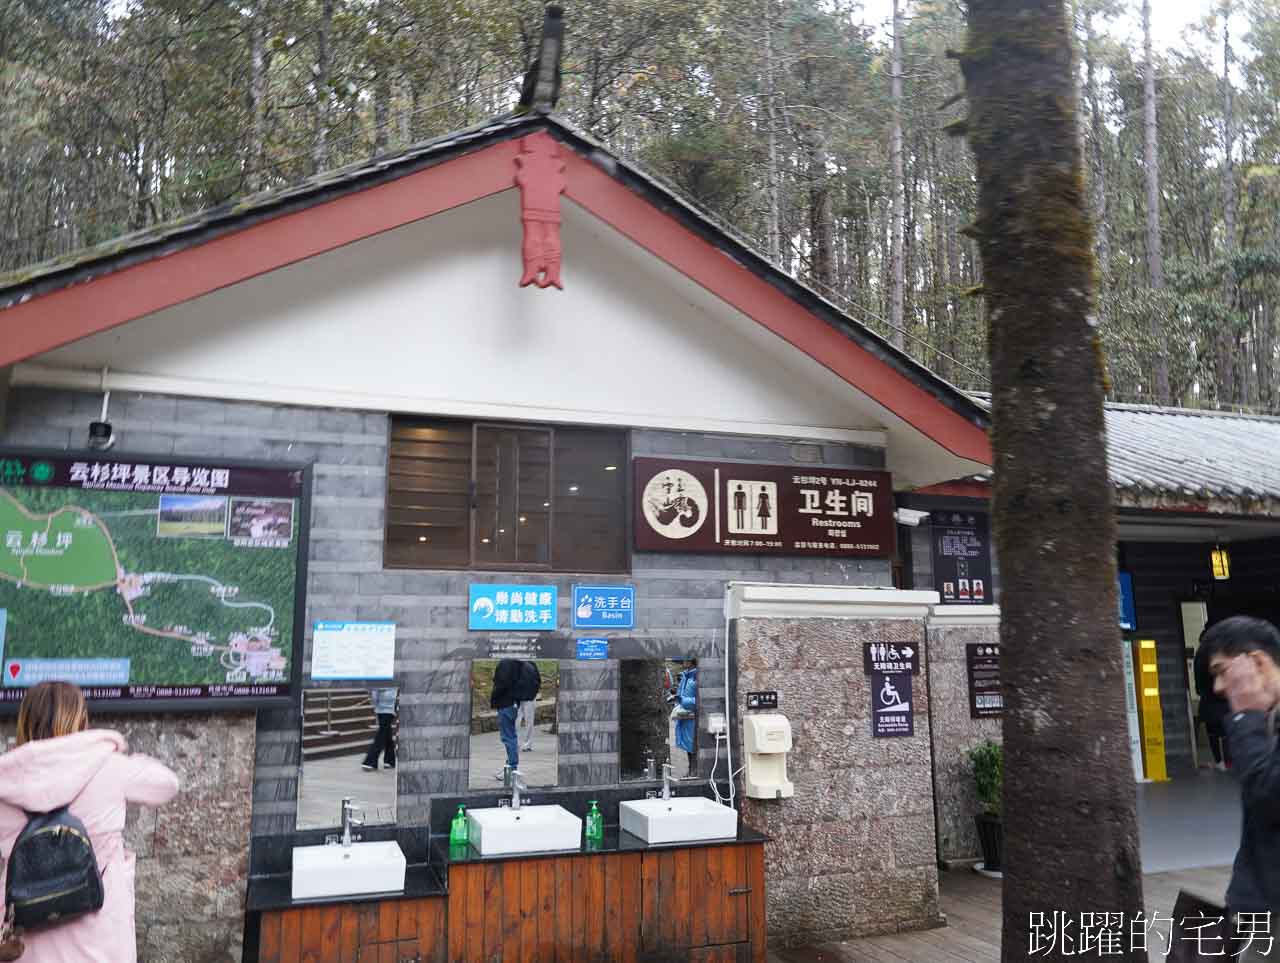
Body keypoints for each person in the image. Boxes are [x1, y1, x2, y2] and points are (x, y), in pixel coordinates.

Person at [0, 681, 179, 963]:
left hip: (27, 943)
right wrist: (121, 755)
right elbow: (168, 785)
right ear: (81, 719)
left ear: (25, 720)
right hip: (101, 943)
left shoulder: (4, 781)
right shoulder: (110, 768)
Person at [1201, 616, 1280, 960]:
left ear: (1258, 662)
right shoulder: (1270, 718)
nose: (1218, 686)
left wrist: (1245, 717)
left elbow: (1269, 797)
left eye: (1222, 670)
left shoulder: (1255, 719)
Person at [1195, 634, 1231, 770]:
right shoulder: (1220, 653)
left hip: (1208, 700)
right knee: (1227, 731)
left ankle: (1219, 762)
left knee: (1213, 733)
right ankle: (1228, 762)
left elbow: (1198, 684)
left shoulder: (1200, 657)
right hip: (1222, 700)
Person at [490, 659, 523, 778]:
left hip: (505, 704)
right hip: (513, 703)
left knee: (508, 737)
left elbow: (502, 684)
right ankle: (510, 767)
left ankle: (512, 769)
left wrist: (493, 698)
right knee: (510, 736)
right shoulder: (517, 663)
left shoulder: (506, 663)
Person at [362, 687, 397, 772]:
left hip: (388, 709)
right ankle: (389, 760)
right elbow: (374, 692)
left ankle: (372, 761)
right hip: (382, 709)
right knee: (385, 733)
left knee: (382, 734)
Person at [671, 662, 697, 776]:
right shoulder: (686, 676)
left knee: (693, 745)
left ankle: (694, 771)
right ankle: (691, 770)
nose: (683, 661)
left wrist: (682, 700)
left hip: (693, 717)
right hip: (685, 717)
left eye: (686, 659)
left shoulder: (696, 676)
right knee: (688, 745)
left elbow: (700, 700)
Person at [515, 661, 541, 753]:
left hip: (519, 697)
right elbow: (538, 680)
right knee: (528, 721)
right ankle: (527, 744)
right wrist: (534, 692)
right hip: (528, 697)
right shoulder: (532, 664)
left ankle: (516, 744)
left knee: (517, 721)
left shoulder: (515, 665)